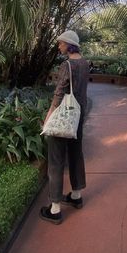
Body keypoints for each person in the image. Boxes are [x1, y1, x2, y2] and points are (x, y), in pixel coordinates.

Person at [40, 30, 89, 225]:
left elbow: (59, 93)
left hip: (64, 115)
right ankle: (76, 195)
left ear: (69, 45)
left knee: (56, 158)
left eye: (61, 44)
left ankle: (55, 209)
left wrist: (48, 117)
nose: (58, 46)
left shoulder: (66, 65)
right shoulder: (85, 63)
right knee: (76, 153)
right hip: (78, 114)